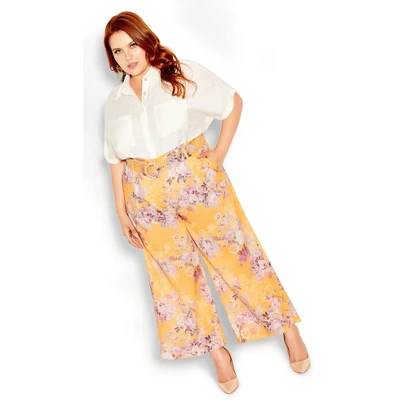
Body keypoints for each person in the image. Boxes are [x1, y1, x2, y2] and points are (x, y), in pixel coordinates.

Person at [103, 11, 310, 394]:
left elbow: (232, 102)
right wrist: (121, 209)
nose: (127, 56)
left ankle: (287, 329)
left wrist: (217, 156)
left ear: (146, 41)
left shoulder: (180, 74)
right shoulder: (115, 103)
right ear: (111, 58)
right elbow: (115, 158)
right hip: (145, 197)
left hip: (195, 180)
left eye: (132, 45)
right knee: (176, 281)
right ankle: (217, 354)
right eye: (117, 51)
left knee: (237, 257)